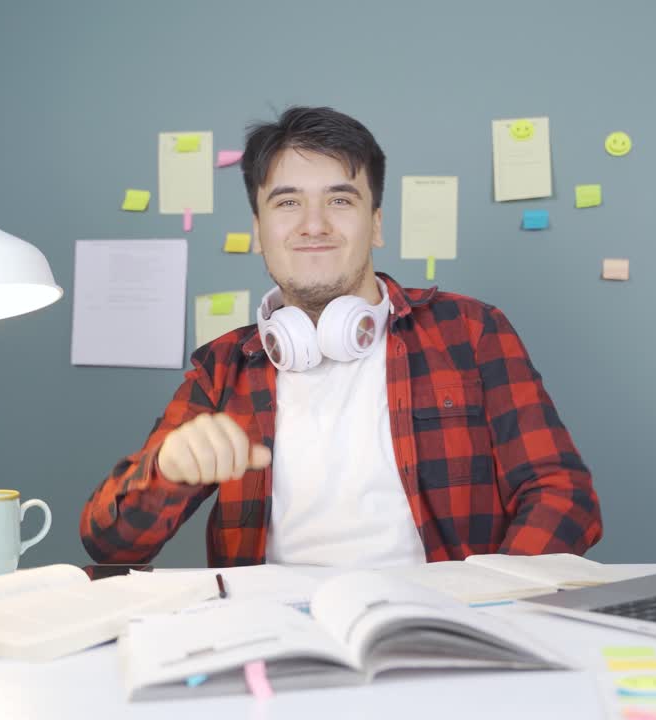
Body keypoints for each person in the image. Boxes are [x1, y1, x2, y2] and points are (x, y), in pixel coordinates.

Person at [80, 106, 601, 567]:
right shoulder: (222, 368)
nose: (313, 225)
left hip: (442, 630)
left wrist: (491, 605)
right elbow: (110, 544)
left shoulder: (470, 331)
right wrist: (167, 469)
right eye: (286, 203)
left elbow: (562, 494)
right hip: (274, 638)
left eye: (340, 201)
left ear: (375, 224)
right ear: (259, 231)